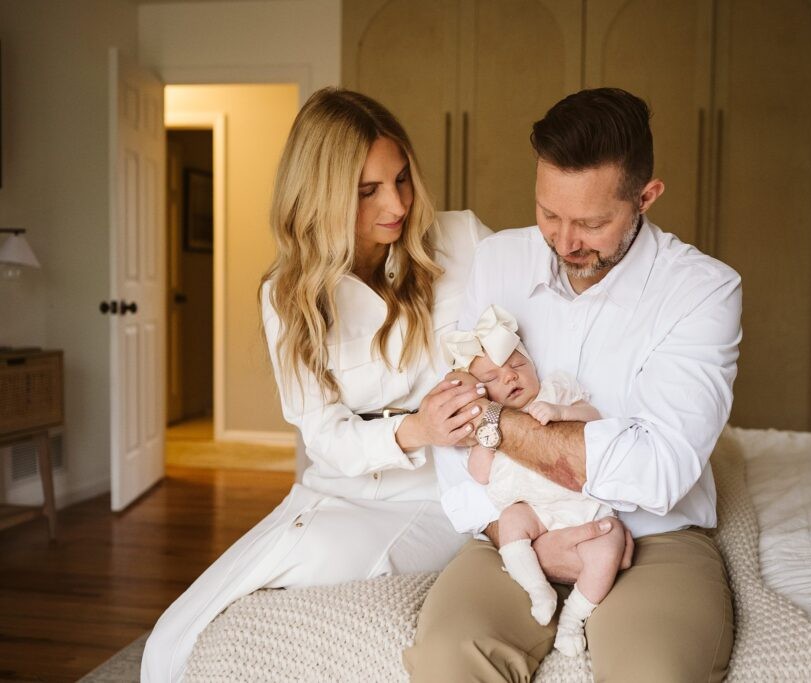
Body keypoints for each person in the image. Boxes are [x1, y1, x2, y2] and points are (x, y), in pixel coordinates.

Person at [141, 88, 490, 682]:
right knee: (174, 634)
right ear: (321, 196)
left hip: (441, 492)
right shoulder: (287, 295)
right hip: (337, 487)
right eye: (368, 190)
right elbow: (324, 435)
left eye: (401, 179)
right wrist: (415, 429)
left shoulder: (464, 242)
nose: (397, 203)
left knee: (322, 555)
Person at [405, 88, 741, 681]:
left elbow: (659, 471)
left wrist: (494, 424)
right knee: (446, 660)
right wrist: (514, 536)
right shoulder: (498, 262)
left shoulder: (703, 290)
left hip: (649, 538)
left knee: (655, 674)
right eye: (549, 215)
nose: (564, 242)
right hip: (513, 527)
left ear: (646, 197)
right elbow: (451, 420)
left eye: (591, 223)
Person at [440, 304, 626, 656]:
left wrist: (562, 412)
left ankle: (573, 618)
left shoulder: (555, 392)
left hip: (581, 506)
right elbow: (479, 473)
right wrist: (489, 427)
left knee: (610, 542)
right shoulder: (489, 425)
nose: (509, 377)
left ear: (533, 365)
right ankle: (537, 588)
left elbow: (594, 418)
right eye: (492, 378)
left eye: (517, 365)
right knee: (511, 520)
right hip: (534, 511)